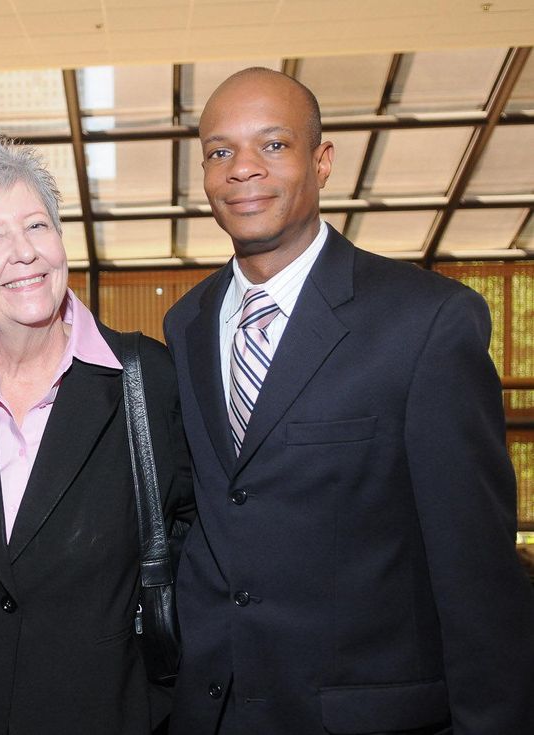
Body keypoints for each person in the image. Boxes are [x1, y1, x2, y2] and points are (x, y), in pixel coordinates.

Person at [163, 67, 534, 734]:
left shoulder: (424, 322)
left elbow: (477, 574)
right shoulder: (186, 324)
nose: (243, 169)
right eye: (220, 151)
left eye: (272, 145)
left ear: (322, 160)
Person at [0, 135, 192, 734]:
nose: (24, 253)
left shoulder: (148, 379)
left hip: (100, 712)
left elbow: (199, 546)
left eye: (37, 226)